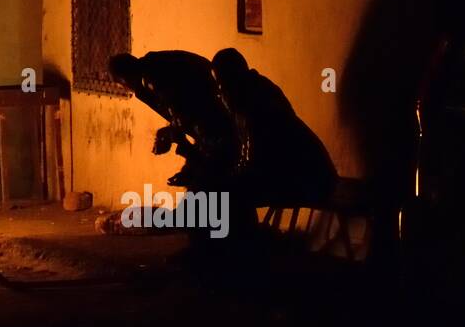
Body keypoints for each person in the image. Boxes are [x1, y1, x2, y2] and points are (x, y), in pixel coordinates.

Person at [210, 48, 338, 208]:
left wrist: (224, 179)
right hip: (310, 177)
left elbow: (255, 162)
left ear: (231, 82)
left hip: (308, 182)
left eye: (220, 86)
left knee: (227, 195)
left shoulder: (254, 106)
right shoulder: (258, 92)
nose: (219, 94)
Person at [109, 50, 239, 189]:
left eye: (124, 86)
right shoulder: (153, 69)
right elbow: (183, 117)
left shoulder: (153, 77)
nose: (129, 90)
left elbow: (185, 115)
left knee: (212, 184)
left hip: (218, 122)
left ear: (124, 80)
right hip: (216, 120)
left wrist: (171, 134)